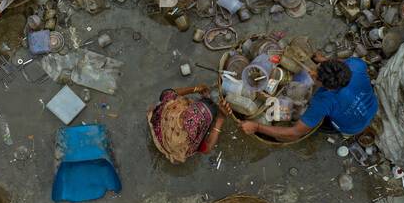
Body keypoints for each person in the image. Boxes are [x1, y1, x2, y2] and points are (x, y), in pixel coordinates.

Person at [239, 57, 378, 143]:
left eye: (315, 77)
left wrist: (256, 127)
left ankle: (339, 129)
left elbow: (295, 133)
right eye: (317, 69)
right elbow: (341, 63)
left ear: (328, 88)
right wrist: (323, 60)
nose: (311, 73)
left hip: (350, 127)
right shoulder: (356, 65)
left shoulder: (323, 101)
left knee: (316, 123)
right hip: (372, 107)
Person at [147, 83, 227, 163]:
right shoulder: (192, 141)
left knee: (166, 102)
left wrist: (195, 88)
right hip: (176, 152)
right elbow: (207, 148)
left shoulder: (172, 112)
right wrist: (220, 119)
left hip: (160, 126)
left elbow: (170, 92)